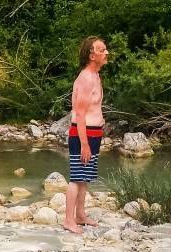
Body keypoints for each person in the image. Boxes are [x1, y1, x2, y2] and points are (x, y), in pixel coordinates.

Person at [64, 36, 109, 235]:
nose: (106, 53)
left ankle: (80, 214)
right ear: (92, 55)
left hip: (94, 133)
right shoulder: (85, 78)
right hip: (82, 134)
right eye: (102, 50)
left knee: (85, 177)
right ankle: (68, 219)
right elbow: (80, 113)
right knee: (76, 177)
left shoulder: (96, 76)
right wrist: (84, 144)